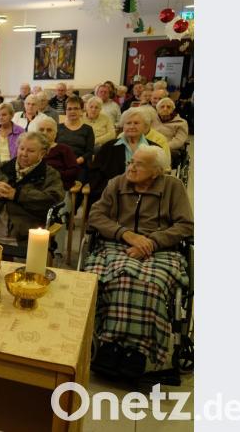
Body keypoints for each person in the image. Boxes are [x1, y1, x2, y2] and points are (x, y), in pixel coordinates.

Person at [85, 146, 193, 378]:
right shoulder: (117, 183)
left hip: (161, 249)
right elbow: (96, 215)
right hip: (116, 245)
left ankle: (138, 351)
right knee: (112, 278)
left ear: (156, 171)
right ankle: (109, 345)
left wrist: (152, 242)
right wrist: (124, 233)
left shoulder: (173, 187)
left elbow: (185, 225)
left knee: (150, 285)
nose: (131, 168)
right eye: (130, 162)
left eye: (138, 164)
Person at [0, 132, 65, 245]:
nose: (24, 154)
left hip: (26, 231)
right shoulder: (1, 167)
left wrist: (17, 194)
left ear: (42, 153)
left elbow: (53, 199)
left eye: (31, 151)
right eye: (21, 148)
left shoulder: (50, 174)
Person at [88, 107, 162, 204]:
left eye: (136, 123)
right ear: (123, 126)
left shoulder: (154, 149)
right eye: (128, 123)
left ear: (145, 126)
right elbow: (95, 173)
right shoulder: (108, 147)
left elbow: (159, 175)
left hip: (146, 194)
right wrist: (110, 189)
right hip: (112, 194)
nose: (131, 126)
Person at [40, 116, 80, 190]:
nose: (44, 133)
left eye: (49, 130)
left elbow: (74, 171)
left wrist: (54, 175)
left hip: (58, 186)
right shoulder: (31, 149)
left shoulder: (64, 149)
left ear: (55, 134)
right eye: (41, 130)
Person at [57, 96, 95, 172]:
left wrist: (77, 161)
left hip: (79, 165)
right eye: (69, 109)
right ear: (65, 111)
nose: (72, 111)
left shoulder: (88, 129)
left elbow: (89, 152)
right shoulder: (57, 128)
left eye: (76, 108)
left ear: (81, 110)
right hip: (59, 164)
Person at [156, 97, 189, 162]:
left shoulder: (181, 123)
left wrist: (163, 147)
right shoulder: (152, 119)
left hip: (169, 148)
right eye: (162, 107)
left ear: (173, 109)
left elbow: (179, 141)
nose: (165, 109)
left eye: (168, 107)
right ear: (157, 109)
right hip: (151, 147)